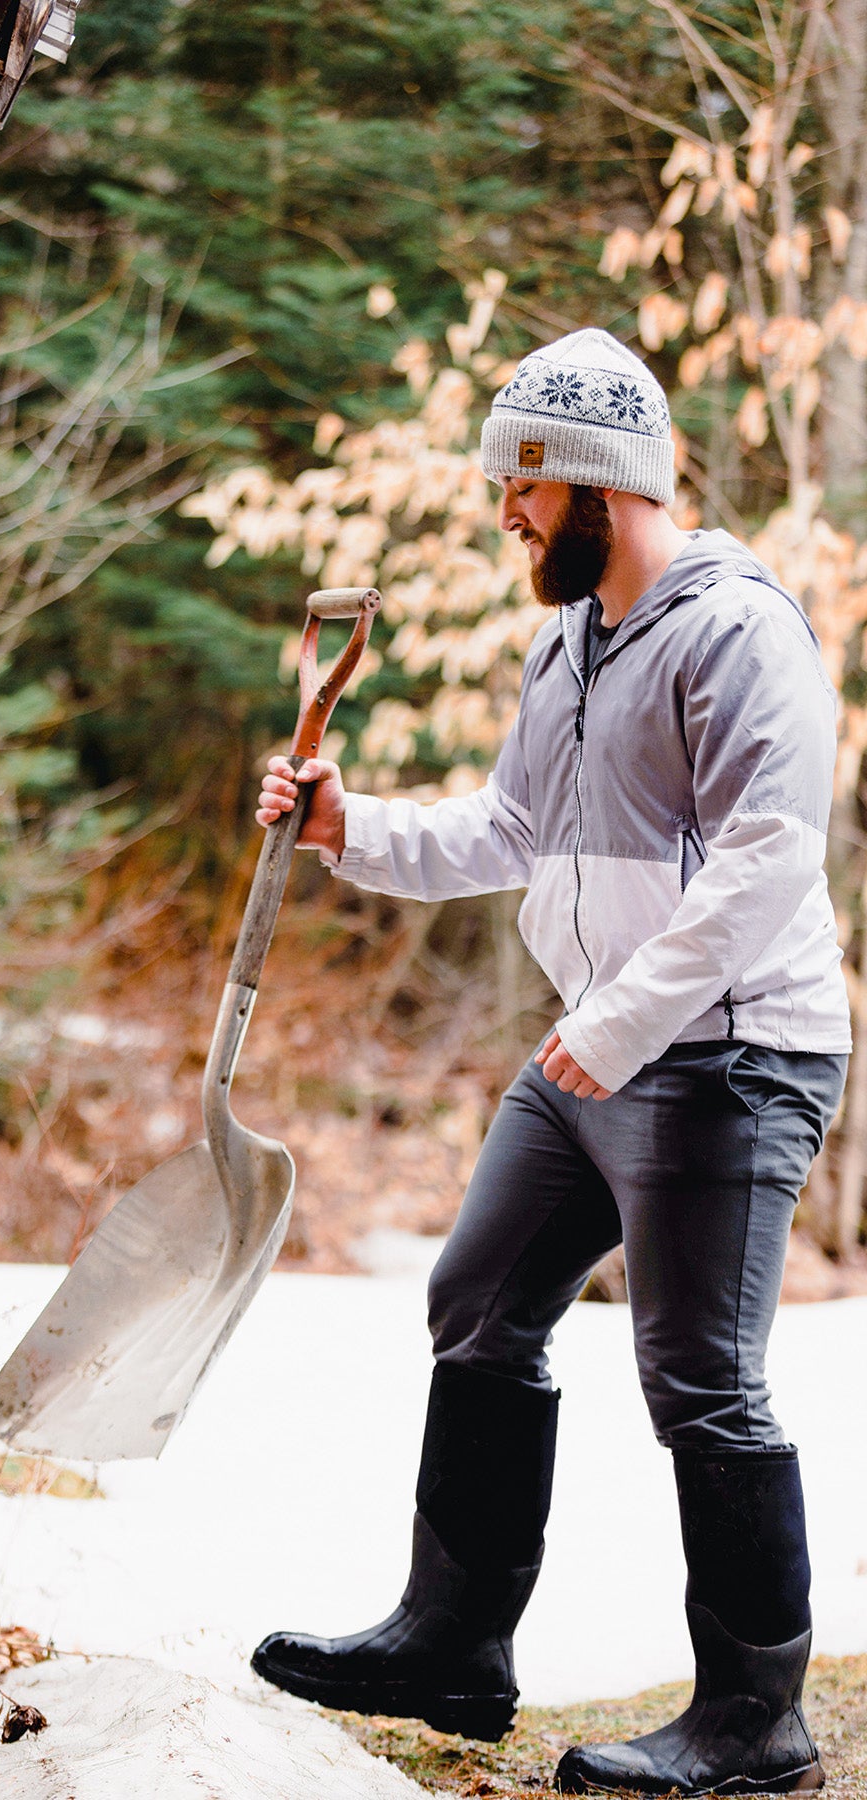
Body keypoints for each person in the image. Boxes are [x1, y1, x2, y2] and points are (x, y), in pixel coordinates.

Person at [249, 328, 851, 1796]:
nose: (503, 513)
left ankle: (756, 1725)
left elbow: (770, 864)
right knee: (480, 1296)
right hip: (598, 1047)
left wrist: (621, 1020)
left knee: (700, 1374)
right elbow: (515, 834)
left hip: (728, 1053)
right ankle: (455, 1647)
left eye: (519, 484)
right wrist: (352, 828)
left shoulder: (740, 632)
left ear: (597, 479)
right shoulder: (566, 638)